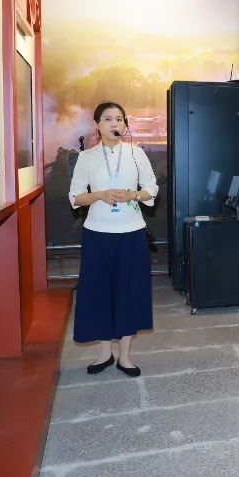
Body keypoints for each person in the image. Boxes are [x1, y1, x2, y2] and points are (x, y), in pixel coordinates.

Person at [68, 102, 158, 378]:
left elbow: (152, 187)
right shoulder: (87, 158)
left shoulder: (136, 153)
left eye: (119, 119)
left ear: (125, 125)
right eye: (108, 119)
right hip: (97, 233)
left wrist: (133, 195)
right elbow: (75, 197)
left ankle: (125, 357)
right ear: (97, 125)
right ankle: (105, 353)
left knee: (129, 291)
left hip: (131, 233)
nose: (114, 124)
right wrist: (99, 195)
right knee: (99, 292)